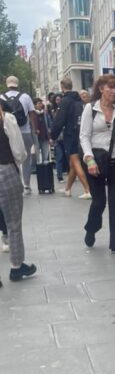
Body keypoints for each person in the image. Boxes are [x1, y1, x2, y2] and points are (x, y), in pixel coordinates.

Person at [79, 75, 115, 255]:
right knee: (99, 202)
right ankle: (91, 228)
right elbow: (84, 136)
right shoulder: (90, 109)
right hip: (96, 161)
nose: (114, 91)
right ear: (101, 88)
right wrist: (89, 158)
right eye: (110, 87)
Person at [0, 101, 37, 285]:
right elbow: (19, 151)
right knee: (13, 222)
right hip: (4, 170)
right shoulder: (6, 119)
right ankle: (16, 266)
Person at [51, 78, 90, 199]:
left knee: (75, 161)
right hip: (81, 133)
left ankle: (87, 190)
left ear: (62, 87)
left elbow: (59, 121)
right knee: (73, 163)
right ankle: (68, 189)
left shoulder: (65, 101)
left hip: (70, 134)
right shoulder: (80, 101)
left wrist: (53, 136)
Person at [2, 76, 35, 194]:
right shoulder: (25, 97)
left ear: (7, 84)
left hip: (7, 133)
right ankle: (26, 185)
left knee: (10, 160)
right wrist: (34, 129)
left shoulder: (1, 97)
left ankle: (14, 185)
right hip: (25, 131)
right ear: (17, 84)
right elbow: (32, 114)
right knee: (26, 159)